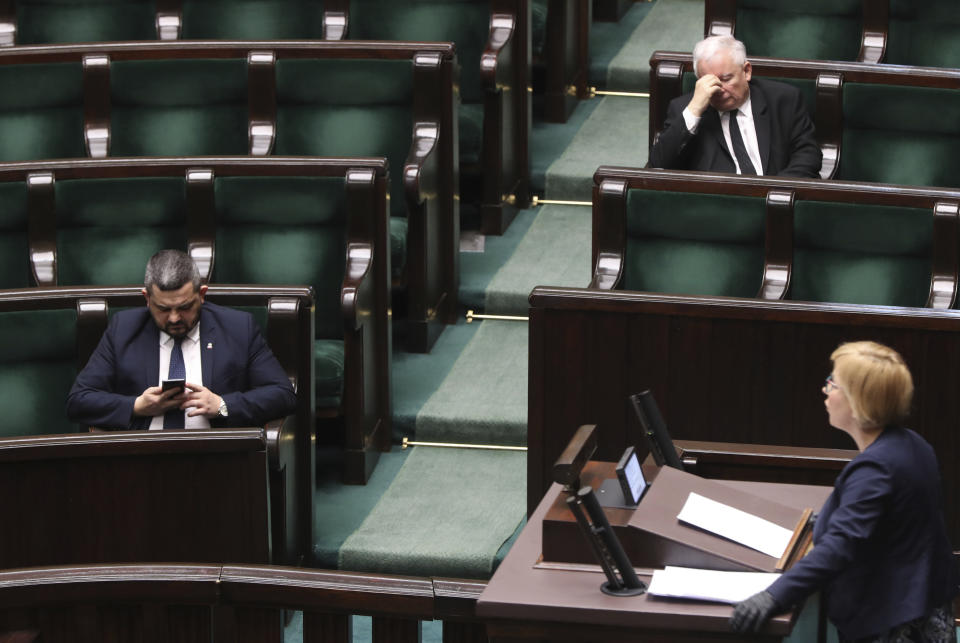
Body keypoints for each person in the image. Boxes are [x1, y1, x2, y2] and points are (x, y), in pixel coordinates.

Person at [730, 341, 959, 641]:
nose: (825, 391)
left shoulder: (876, 469)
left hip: (895, 623)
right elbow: (889, 523)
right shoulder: (913, 444)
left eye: (833, 384)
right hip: (923, 606)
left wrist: (773, 596)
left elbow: (841, 546)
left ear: (857, 401)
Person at [67, 249, 297, 430]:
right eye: (163, 309)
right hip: (143, 459)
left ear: (202, 295)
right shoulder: (123, 329)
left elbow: (282, 395)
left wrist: (223, 405)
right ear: (146, 299)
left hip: (218, 457)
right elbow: (79, 401)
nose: (175, 318)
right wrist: (137, 406)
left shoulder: (238, 328)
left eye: (185, 307)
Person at [649, 35, 822, 178]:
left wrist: (773, 192)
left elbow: (808, 155)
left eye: (726, 79)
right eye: (708, 82)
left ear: (746, 71)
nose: (719, 90)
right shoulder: (685, 111)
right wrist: (694, 110)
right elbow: (658, 165)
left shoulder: (783, 100)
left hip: (775, 204)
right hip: (715, 208)